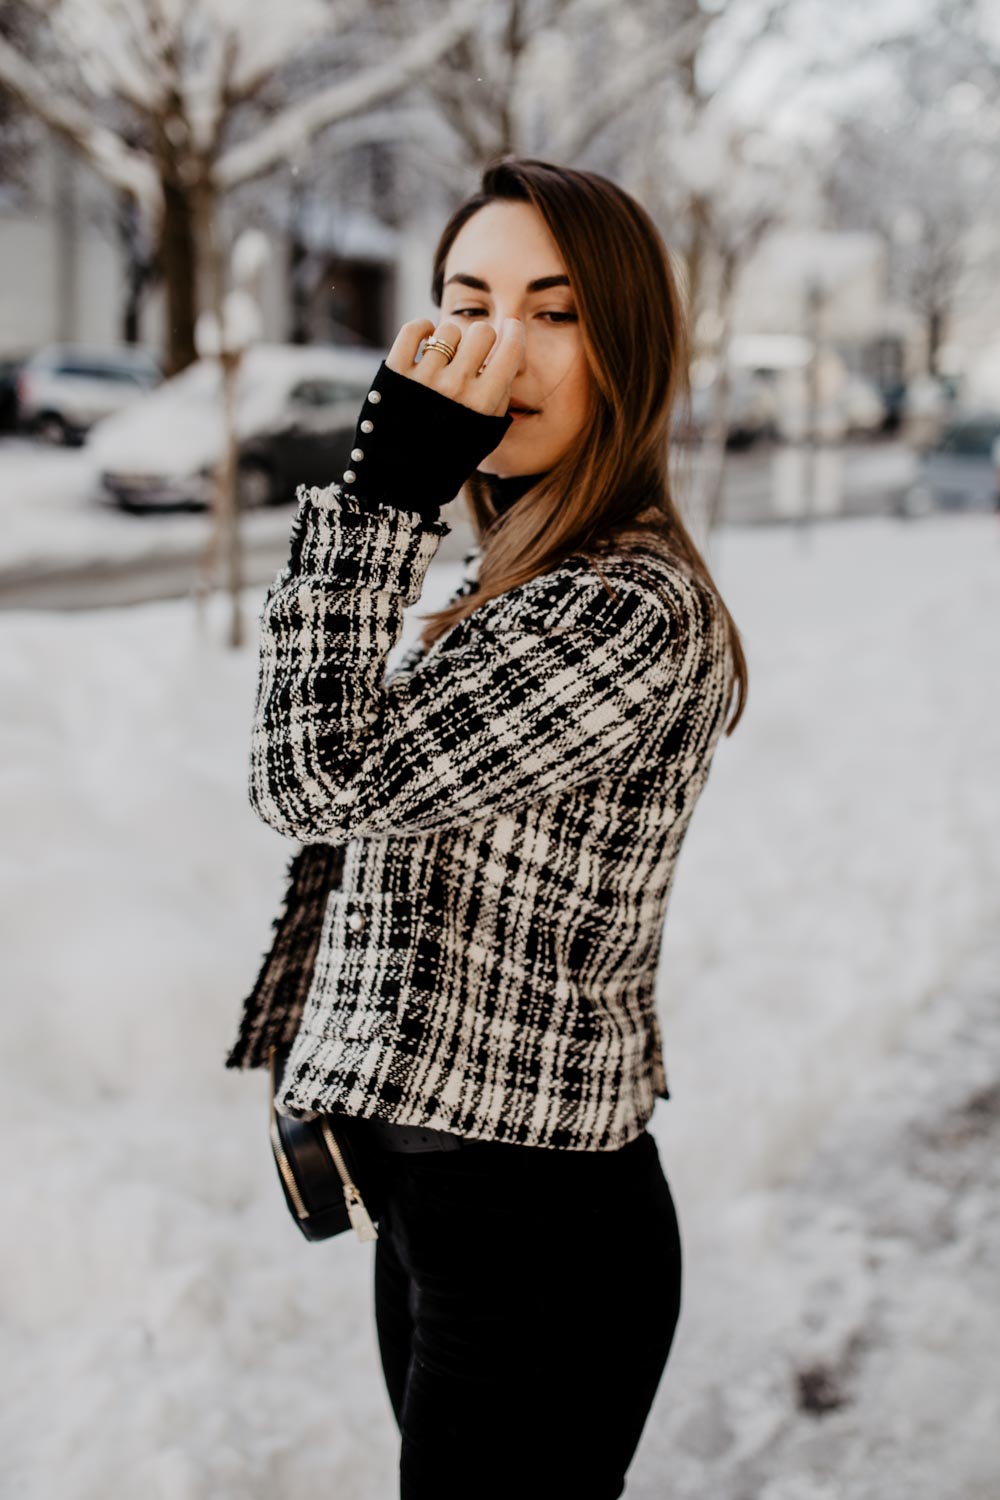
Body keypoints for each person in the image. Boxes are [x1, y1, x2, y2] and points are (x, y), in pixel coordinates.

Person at [225, 156, 748, 1499]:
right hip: (449, 1211)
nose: (501, 346)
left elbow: (317, 781)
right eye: (471, 299)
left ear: (625, 348)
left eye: (555, 313)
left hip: (537, 1241)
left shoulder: (625, 609)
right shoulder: (513, 577)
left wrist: (382, 496)